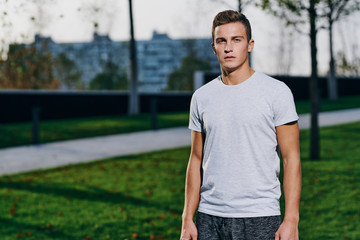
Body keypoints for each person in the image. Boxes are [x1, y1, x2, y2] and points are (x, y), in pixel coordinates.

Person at [180, 10, 301, 240]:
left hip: (260, 216)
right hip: (210, 216)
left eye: (236, 40)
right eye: (221, 41)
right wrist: (187, 218)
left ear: (250, 44)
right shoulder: (201, 97)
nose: (228, 48)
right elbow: (196, 158)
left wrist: (291, 220)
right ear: (213, 47)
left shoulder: (276, 92)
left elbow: (291, 158)